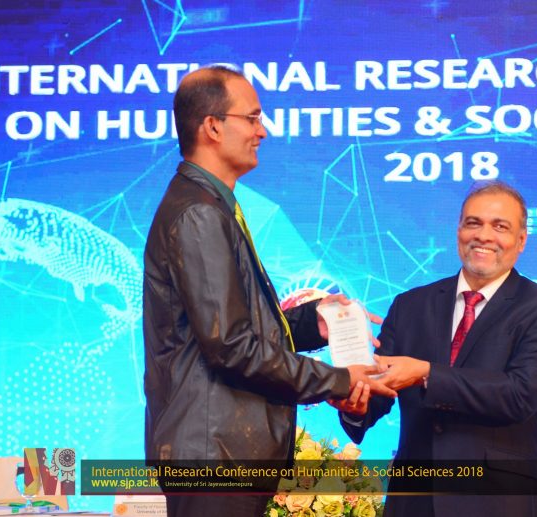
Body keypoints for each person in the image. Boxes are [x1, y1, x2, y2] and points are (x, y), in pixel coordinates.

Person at [142, 65, 394, 517]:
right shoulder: (200, 213)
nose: (263, 131)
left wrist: (311, 322)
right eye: (253, 118)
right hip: (215, 458)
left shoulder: (211, 205)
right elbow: (232, 347)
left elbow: (236, 331)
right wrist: (340, 379)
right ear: (213, 126)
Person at [339, 181, 537, 517]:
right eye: (473, 223)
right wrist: (354, 402)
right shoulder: (410, 305)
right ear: (458, 231)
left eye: (500, 227)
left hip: (500, 502)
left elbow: (518, 395)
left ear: (521, 240)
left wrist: (426, 374)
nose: (484, 236)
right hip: (415, 502)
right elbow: (378, 391)